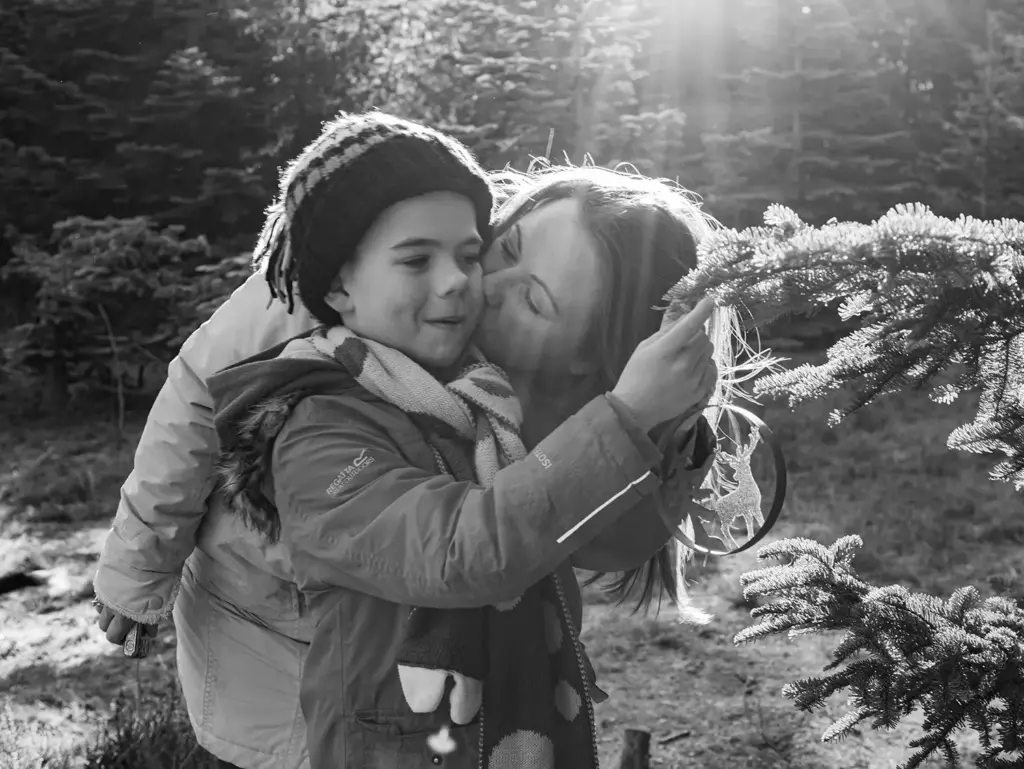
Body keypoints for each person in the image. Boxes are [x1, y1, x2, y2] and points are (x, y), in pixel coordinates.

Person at [89, 113, 732, 769]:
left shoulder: (521, 377)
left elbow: (586, 525)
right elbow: (194, 396)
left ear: (592, 360)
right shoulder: (337, 281)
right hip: (266, 617)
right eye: (504, 249)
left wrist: (661, 427)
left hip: (443, 692)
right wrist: (136, 567)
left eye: (534, 301)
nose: (477, 285)